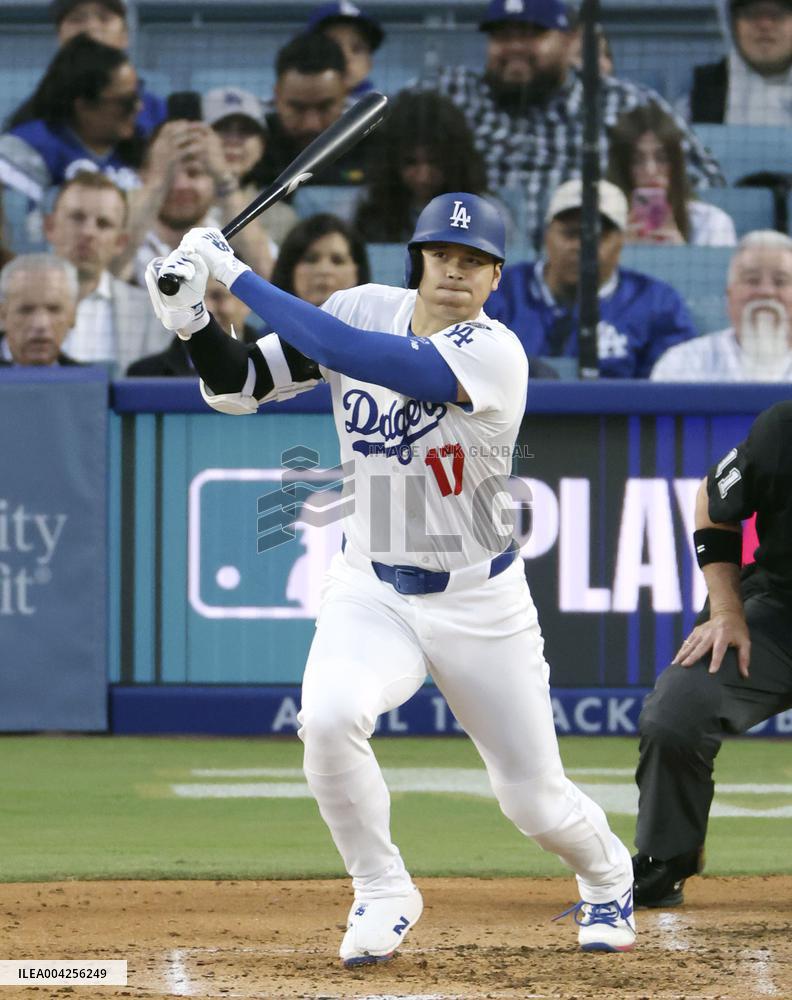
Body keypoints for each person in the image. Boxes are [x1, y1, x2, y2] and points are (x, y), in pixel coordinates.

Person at [143, 192, 638, 962]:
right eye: (443, 255)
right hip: (372, 586)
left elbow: (365, 360)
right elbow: (238, 388)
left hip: (481, 598)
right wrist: (192, 322)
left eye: (474, 261)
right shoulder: (360, 307)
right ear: (419, 259)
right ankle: (381, 887)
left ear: (497, 276)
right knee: (331, 717)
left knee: (533, 801)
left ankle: (608, 878)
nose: (455, 272)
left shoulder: (494, 351)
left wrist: (233, 274)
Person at [632, 400, 792, 907]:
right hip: (780, 613)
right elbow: (713, 497)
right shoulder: (784, 430)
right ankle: (668, 856)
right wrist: (726, 609)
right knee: (678, 709)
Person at [416, 0, 724, 249]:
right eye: (502, 36)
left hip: (590, 273)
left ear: (571, 39)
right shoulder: (450, 93)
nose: (514, 47)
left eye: (531, 33)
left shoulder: (624, 103)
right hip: (472, 264)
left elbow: (704, 179)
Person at [485, 179, 699, 377]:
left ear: (621, 242)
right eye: (570, 233)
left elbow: (669, 389)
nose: (580, 246)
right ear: (547, 236)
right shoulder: (497, 292)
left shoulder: (657, 304)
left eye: (596, 236)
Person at [44, 170, 170, 374]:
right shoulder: (8, 303)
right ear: (49, 226)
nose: (88, 232)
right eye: (77, 218)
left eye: (103, 224)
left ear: (120, 242)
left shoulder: (153, 315)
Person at [0, 35, 146, 208]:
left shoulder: (139, 146)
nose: (139, 107)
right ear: (83, 106)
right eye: (126, 102)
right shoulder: (28, 147)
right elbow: (11, 228)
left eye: (138, 94)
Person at [129, 120, 274, 286]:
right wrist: (155, 183)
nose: (180, 185)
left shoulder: (231, 235)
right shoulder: (116, 230)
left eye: (194, 173)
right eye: (168, 174)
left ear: (214, 180)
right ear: (142, 175)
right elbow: (112, 267)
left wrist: (225, 179)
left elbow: (271, 278)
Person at [650, 231, 792, 381]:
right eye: (752, 280)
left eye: (780, 281)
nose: (766, 292)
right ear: (729, 295)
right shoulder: (683, 361)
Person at [352, 91, 491, 243]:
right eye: (410, 162)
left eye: (434, 162)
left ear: (455, 160)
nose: (422, 176)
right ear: (392, 162)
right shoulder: (362, 212)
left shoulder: (487, 215)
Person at [607, 103, 737, 247]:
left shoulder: (712, 223)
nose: (651, 170)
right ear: (623, 168)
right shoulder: (602, 226)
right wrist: (620, 252)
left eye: (662, 158)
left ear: (676, 164)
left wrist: (680, 254)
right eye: (637, 160)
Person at [257, 33, 372, 190]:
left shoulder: (375, 144)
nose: (311, 125)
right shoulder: (251, 147)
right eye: (297, 108)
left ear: (345, 93)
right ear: (276, 96)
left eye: (325, 107)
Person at [49, 0, 166, 134]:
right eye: (77, 19)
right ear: (59, 36)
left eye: (104, 18)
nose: (92, 28)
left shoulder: (159, 116)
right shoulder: (35, 117)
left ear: (125, 35)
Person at [203, 86, 296, 249]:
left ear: (262, 146)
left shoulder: (281, 216)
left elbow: (271, 273)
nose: (233, 140)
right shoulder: (176, 204)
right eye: (222, 129)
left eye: (245, 131)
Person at [687, 0, 792, 125]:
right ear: (731, 23)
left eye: (779, 14)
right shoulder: (697, 99)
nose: (765, 25)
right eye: (751, 14)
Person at [126, 279, 256, 376]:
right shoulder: (144, 376)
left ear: (247, 301)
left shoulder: (274, 365)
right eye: (194, 298)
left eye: (217, 296)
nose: (207, 308)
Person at [269, 213, 370, 305]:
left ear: (357, 272)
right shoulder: (271, 324)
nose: (324, 270)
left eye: (337, 261)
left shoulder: (377, 325)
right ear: (289, 269)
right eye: (311, 260)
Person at [0, 254, 80, 366]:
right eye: (26, 310)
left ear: (73, 315)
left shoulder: (94, 381)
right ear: (2, 315)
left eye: (54, 310)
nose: (41, 324)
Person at [305, 1, 385, 97]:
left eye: (357, 49)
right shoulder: (290, 106)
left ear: (369, 63)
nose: (345, 57)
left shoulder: (382, 109)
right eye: (333, 47)